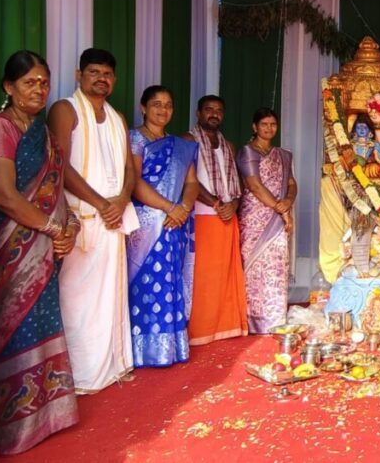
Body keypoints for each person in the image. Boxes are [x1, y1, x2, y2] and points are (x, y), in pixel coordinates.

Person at [0, 51, 79, 453]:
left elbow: (56, 188)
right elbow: (3, 196)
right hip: (8, 247)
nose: (38, 89)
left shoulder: (44, 132)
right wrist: (54, 227)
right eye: (29, 82)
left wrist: (69, 227)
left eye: (43, 82)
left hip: (45, 245)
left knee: (41, 322)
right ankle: (10, 426)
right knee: (6, 329)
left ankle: (45, 412)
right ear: (9, 87)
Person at [48, 48, 138, 393]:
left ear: (114, 80)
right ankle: (81, 375)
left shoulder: (117, 117)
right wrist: (102, 203)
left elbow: (130, 168)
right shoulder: (65, 110)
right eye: (94, 72)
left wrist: (122, 199)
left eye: (107, 74)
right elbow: (59, 165)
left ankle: (111, 366)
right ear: (78, 74)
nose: (101, 79)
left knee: (111, 294)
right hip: (82, 216)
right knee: (77, 297)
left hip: (112, 218)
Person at [126, 86, 199, 367]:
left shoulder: (180, 146)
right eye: (156, 104)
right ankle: (143, 350)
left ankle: (171, 347)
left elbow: (191, 183)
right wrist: (171, 208)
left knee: (171, 283)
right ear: (143, 107)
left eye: (168, 105)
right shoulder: (134, 138)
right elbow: (134, 181)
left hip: (175, 223)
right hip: (146, 224)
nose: (162, 110)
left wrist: (183, 208)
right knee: (144, 287)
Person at [187, 95, 248, 344]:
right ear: (198, 112)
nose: (214, 114)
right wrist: (216, 203)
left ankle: (226, 327)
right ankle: (200, 332)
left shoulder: (229, 145)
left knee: (226, 275)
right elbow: (186, 180)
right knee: (203, 277)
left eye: (219, 110)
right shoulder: (187, 140)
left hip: (226, 216)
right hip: (202, 215)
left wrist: (233, 205)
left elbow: (237, 181)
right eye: (209, 109)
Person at [237, 108, 297, 333]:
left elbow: (291, 183)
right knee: (254, 266)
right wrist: (280, 209)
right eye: (264, 124)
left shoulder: (282, 155)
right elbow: (254, 185)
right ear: (255, 127)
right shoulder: (247, 151)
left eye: (273, 124)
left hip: (279, 214)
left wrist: (288, 201)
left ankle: (275, 318)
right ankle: (254, 320)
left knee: (276, 265)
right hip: (256, 217)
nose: (269, 128)